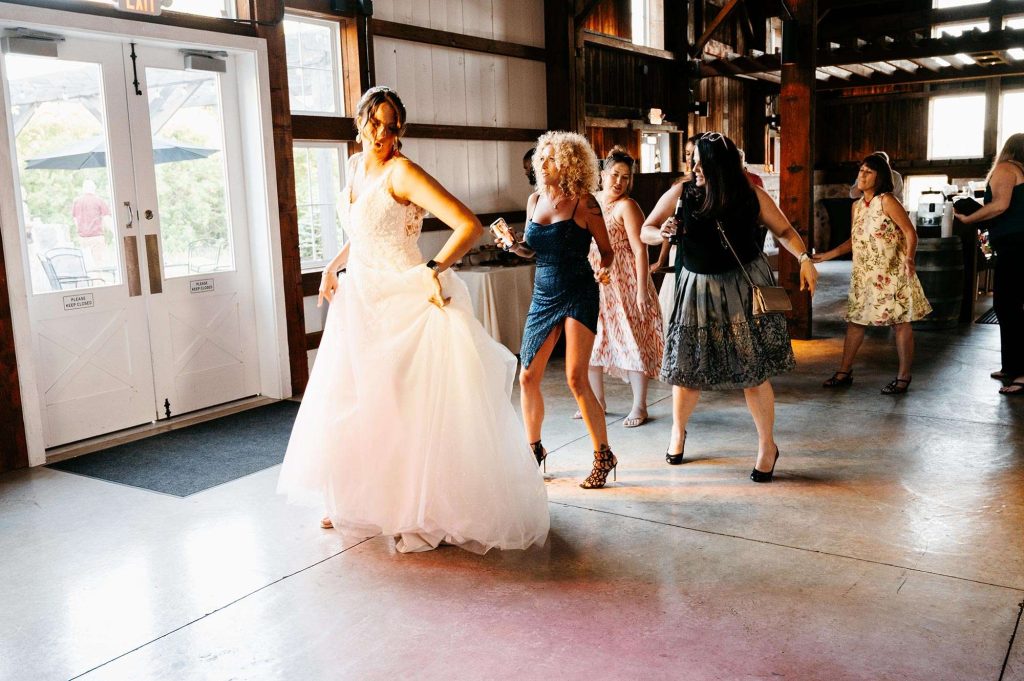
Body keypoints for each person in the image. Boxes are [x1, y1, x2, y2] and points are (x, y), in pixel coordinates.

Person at [277, 87, 549, 554]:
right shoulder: (355, 167)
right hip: (361, 298)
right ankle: (363, 500)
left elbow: (468, 225)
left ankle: (416, 508)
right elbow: (364, 231)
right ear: (359, 122)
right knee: (361, 401)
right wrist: (332, 265)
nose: (382, 134)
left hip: (402, 296)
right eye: (374, 123)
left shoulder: (402, 172)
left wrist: (432, 269)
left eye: (391, 126)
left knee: (403, 405)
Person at [640, 132, 818, 482]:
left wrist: (804, 258)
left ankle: (767, 446)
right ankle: (678, 431)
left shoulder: (750, 196)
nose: (694, 168)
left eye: (701, 162)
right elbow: (647, 228)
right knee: (687, 369)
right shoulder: (681, 193)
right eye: (693, 161)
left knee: (752, 371)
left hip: (742, 289)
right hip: (697, 289)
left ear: (720, 166)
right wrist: (661, 233)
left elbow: (784, 230)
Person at [501, 131, 617, 489]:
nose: (543, 163)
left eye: (550, 158)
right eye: (542, 157)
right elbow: (532, 250)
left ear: (568, 163)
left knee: (575, 378)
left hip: (579, 290)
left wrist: (604, 269)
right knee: (527, 376)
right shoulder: (535, 200)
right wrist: (512, 245)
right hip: (543, 293)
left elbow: (607, 251)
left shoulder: (585, 203)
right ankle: (534, 450)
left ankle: (604, 455)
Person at [814, 153, 931, 395]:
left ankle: (904, 376)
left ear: (880, 177)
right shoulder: (856, 206)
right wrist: (826, 255)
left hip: (892, 271)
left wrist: (909, 259)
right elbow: (853, 240)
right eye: (861, 171)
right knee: (856, 322)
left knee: (900, 323)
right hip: (864, 275)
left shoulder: (887, 200)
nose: (862, 175)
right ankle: (844, 371)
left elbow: (910, 232)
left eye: (868, 172)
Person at [581, 146, 663, 428]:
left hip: (625, 282)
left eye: (625, 177)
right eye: (615, 175)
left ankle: (640, 405)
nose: (619, 182)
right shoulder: (590, 201)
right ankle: (597, 402)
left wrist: (642, 290)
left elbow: (640, 250)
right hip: (596, 280)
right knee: (592, 342)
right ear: (602, 174)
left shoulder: (627, 206)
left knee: (631, 340)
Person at [954, 133, 1024, 396]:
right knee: (1009, 306)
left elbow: (1000, 206)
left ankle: (1021, 373)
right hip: (1016, 244)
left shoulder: (1007, 167)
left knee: (1009, 306)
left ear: (1008, 149)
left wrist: (969, 219)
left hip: (1016, 245)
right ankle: (1011, 366)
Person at [653, 134, 701, 332]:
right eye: (687, 154)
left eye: (694, 154)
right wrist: (661, 260)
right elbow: (670, 227)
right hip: (680, 253)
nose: (690, 159)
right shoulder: (679, 187)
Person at [71, 179, 110, 269]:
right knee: (99, 264)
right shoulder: (98, 201)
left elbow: (75, 219)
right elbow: (106, 218)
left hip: (82, 237)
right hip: (96, 236)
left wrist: (80, 230)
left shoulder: (77, 201)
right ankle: (99, 278)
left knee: (86, 265)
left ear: (83, 189)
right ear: (94, 188)